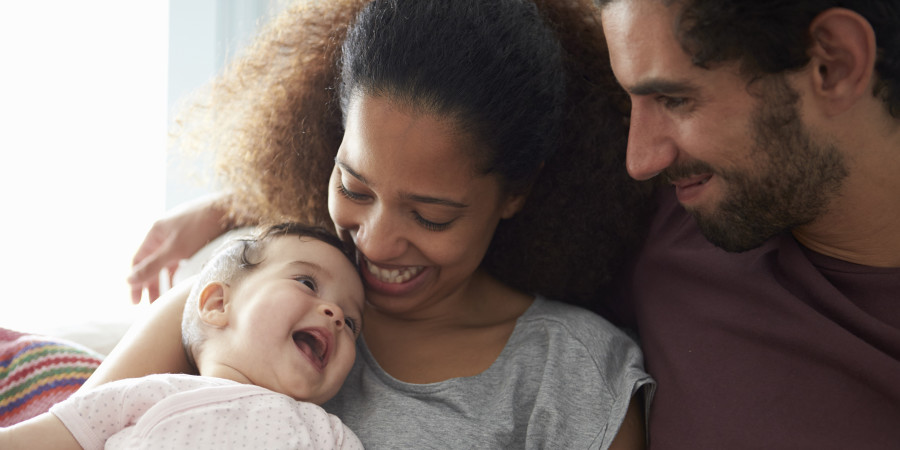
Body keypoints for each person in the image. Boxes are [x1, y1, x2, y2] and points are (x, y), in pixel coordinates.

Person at [88, 0, 655, 448]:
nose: (374, 242)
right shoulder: (244, 294)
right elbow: (75, 430)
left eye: (430, 216)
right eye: (355, 188)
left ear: (515, 193)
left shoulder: (574, 377)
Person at [595, 0, 900, 447]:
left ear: (834, 65)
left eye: (675, 99)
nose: (640, 161)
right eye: (632, 100)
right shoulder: (653, 230)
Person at [0, 223, 365, 449]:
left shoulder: (330, 435)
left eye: (351, 323)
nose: (335, 316)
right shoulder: (148, 392)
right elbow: (48, 439)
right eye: (307, 282)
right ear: (219, 303)